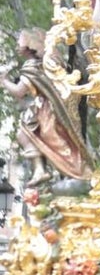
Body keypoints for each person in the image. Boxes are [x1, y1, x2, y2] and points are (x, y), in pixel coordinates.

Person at [0, 28, 91, 185]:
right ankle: (40, 170)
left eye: (19, 43)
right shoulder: (37, 65)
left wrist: (4, 82)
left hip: (48, 112)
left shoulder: (32, 67)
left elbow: (19, 91)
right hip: (41, 110)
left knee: (57, 143)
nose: (16, 46)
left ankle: (80, 171)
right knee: (24, 135)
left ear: (29, 45)